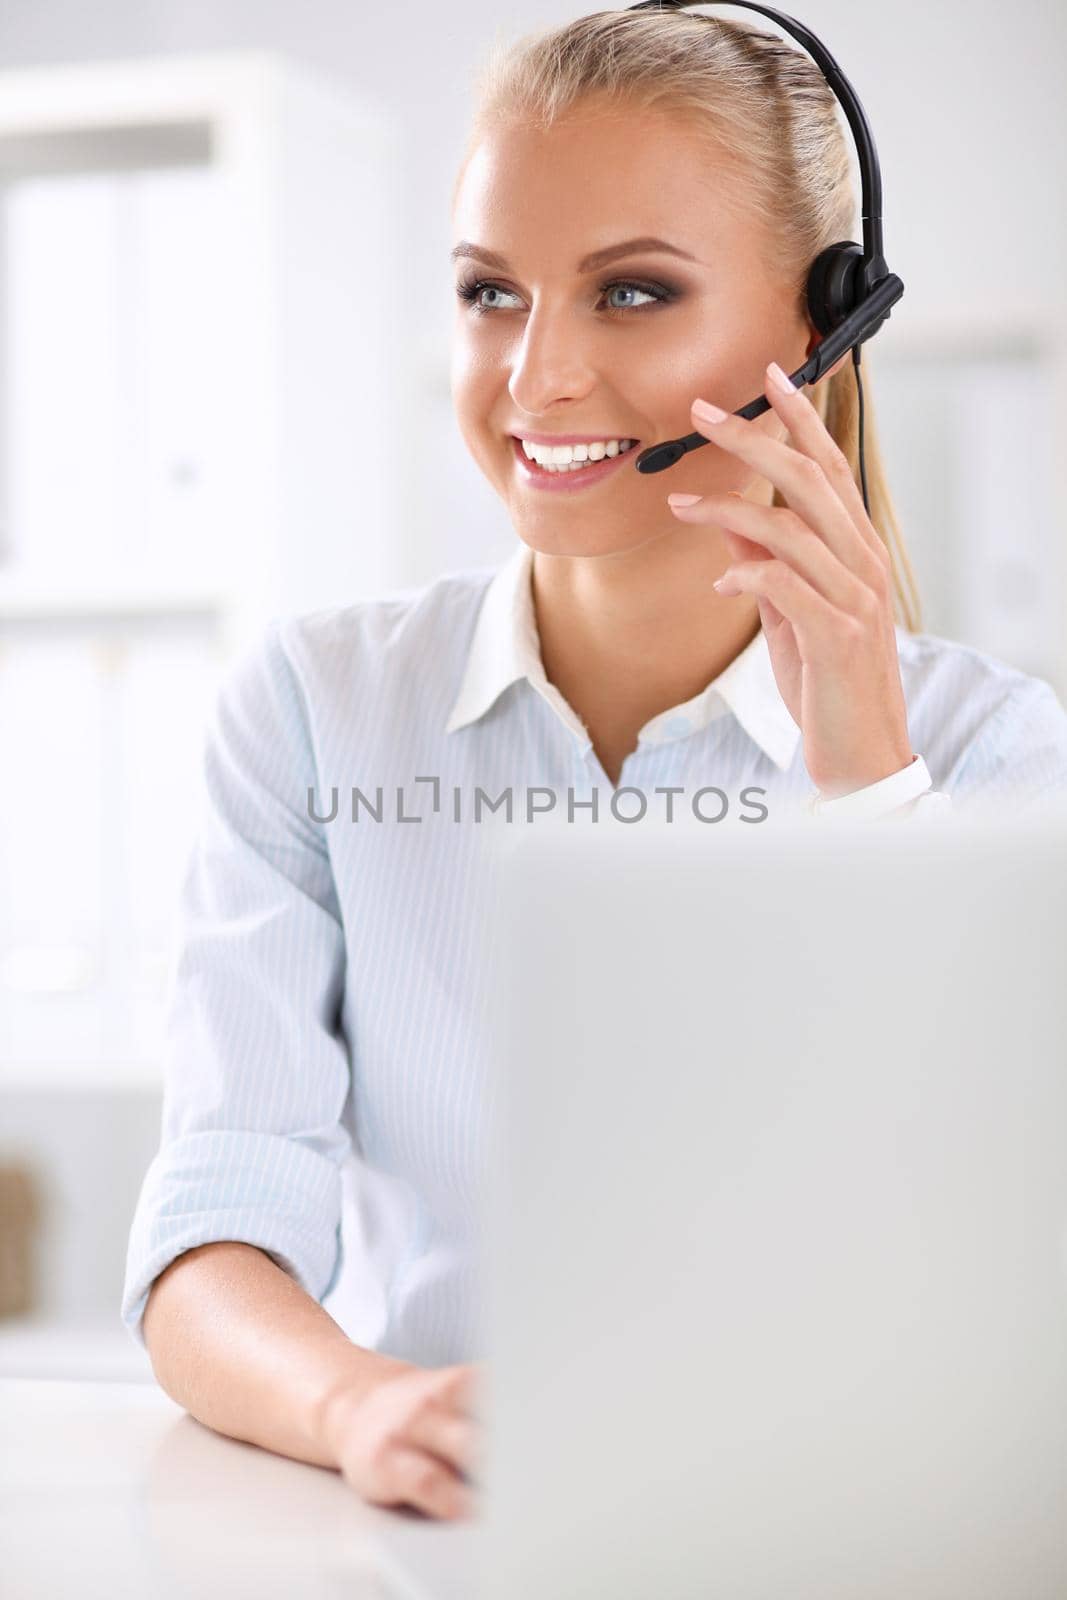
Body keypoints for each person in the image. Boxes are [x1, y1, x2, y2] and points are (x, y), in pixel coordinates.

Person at [122, 6, 1067, 1526]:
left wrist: (870, 790)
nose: (539, 375)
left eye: (633, 292)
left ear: (825, 328)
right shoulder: (315, 711)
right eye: (492, 293)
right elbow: (212, 1229)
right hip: (435, 1536)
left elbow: (998, 1273)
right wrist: (370, 1406)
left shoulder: (990, 758)